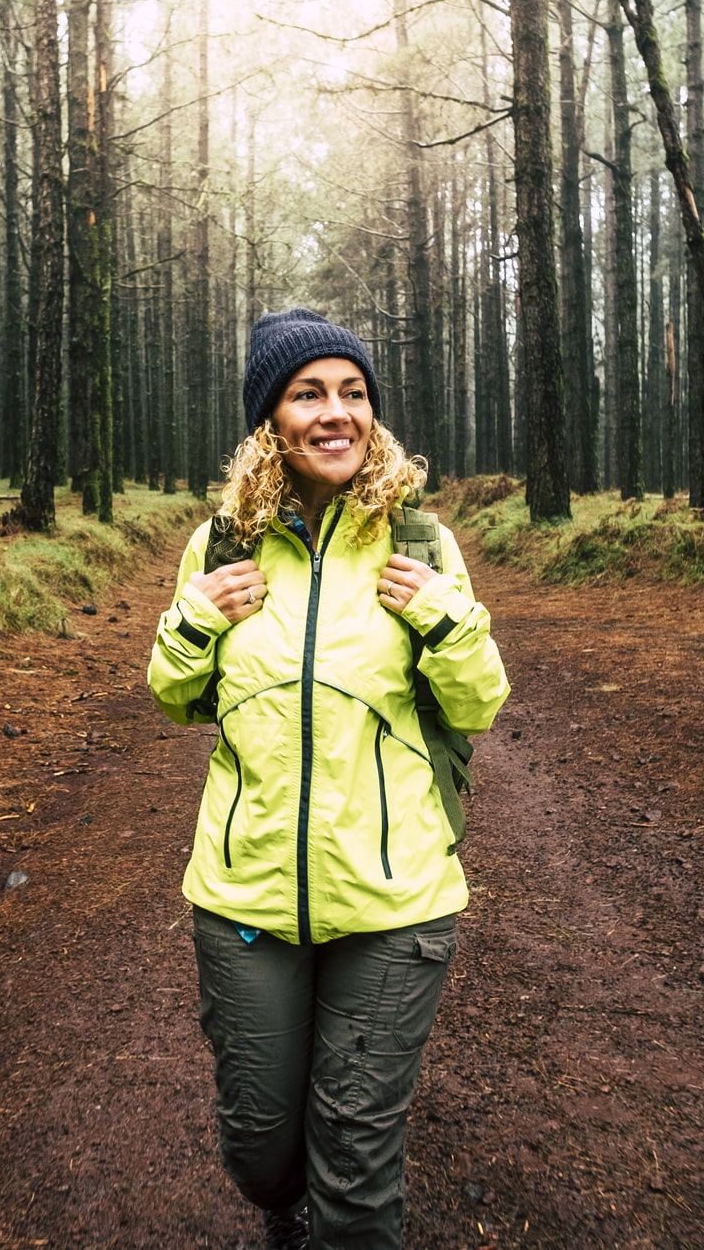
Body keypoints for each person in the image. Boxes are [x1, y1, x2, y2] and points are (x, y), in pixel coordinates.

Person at [147, 307, 511, 1250]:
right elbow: (177, 699)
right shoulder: (222, 545)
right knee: (262, 1155)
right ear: (270, 420)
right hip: (244, 897)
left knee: (354, 1159)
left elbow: (475, 706)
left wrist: (446, 621)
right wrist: (195, 620)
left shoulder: (419, 545)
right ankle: (283, 1210)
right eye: (308, 393)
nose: (334, 412)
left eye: (352, 394)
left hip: (394, 902)